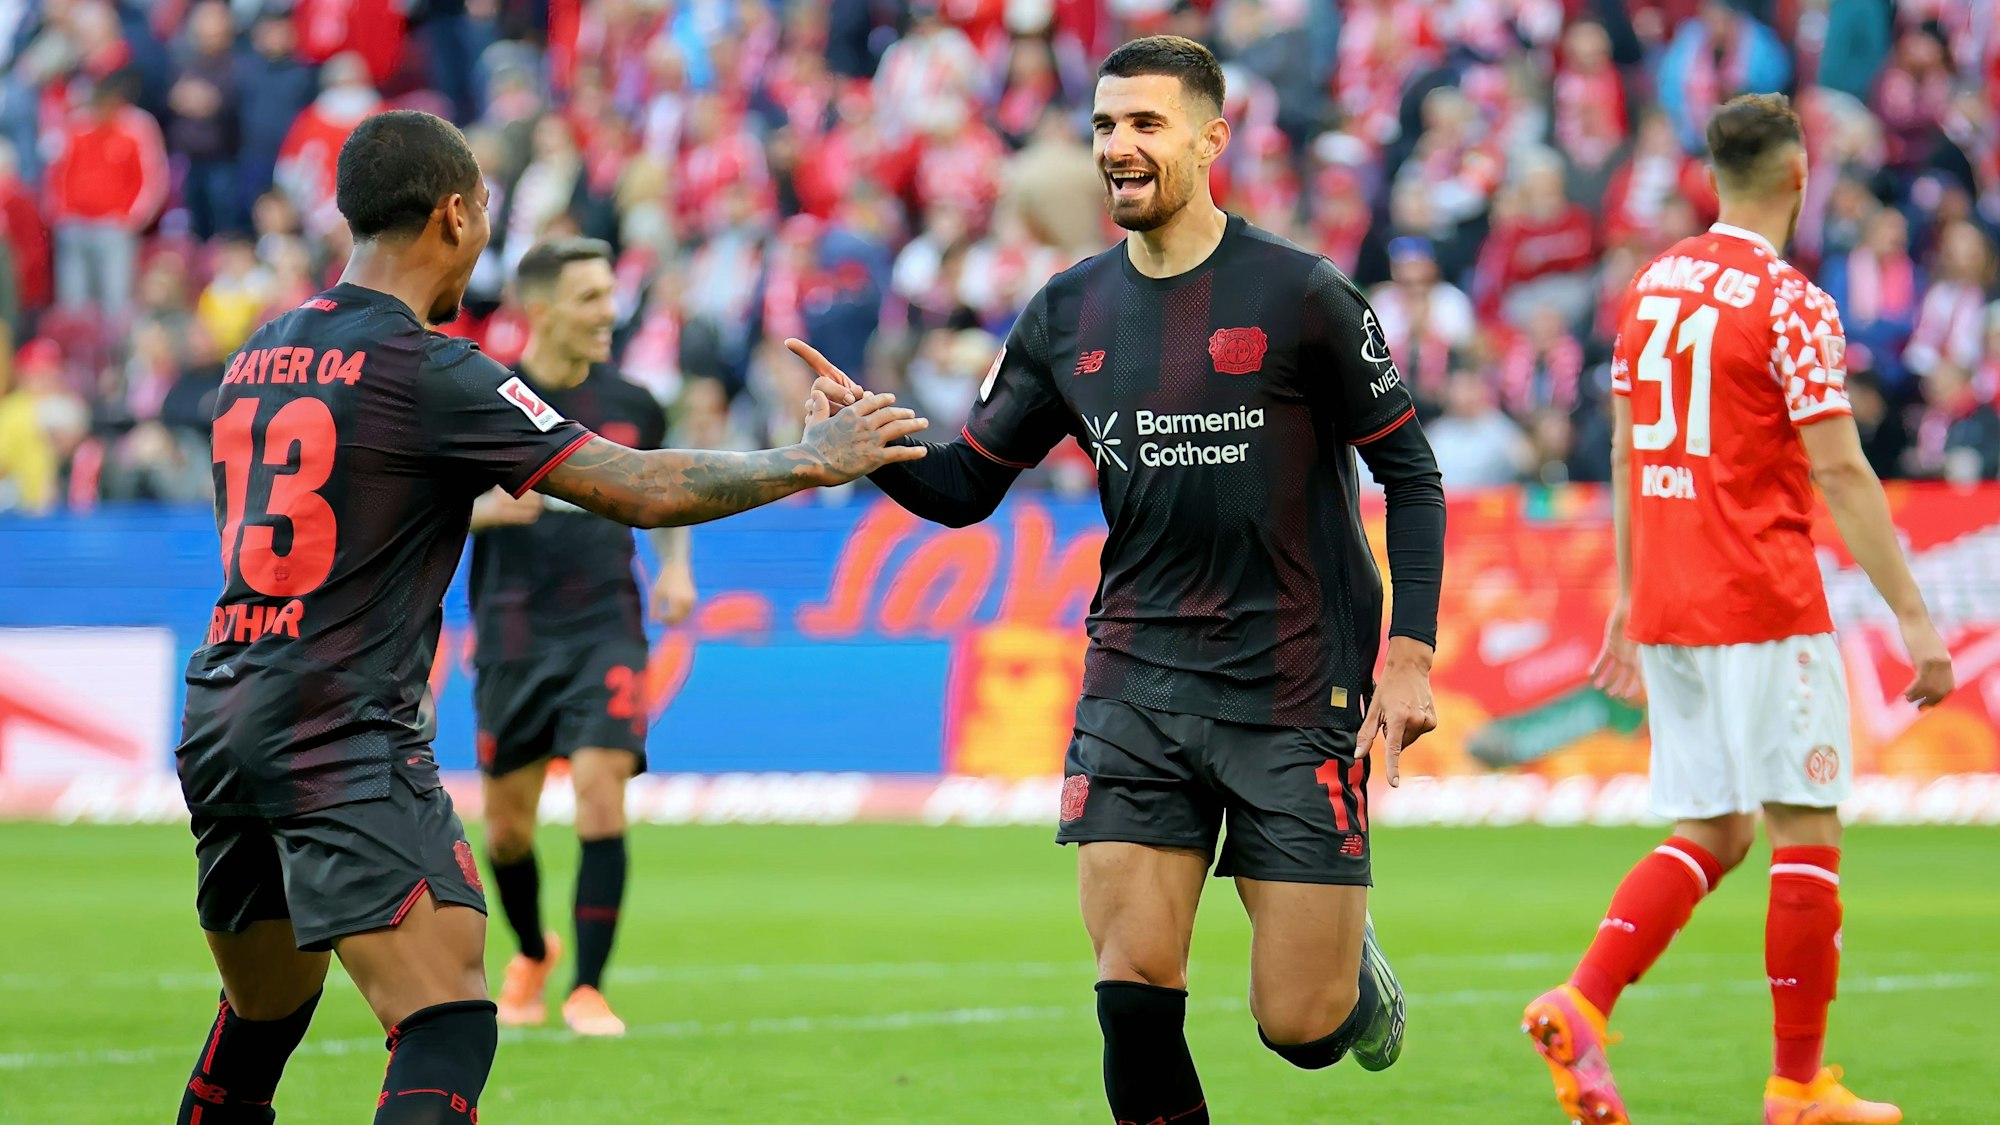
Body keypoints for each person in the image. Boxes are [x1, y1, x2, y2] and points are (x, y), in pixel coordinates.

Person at [171, 109, 926, 1125]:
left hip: (222, 714)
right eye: (484, 209)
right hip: (336, 721)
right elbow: (635, 488)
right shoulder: (433, 368)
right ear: (454, 214)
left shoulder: (261, 354)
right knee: (447, 1022)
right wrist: (810, 461)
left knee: (260, 1019)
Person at [793, 36, 1444, 1124]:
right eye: (1102, 127)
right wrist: (866, 451)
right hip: (1135, 678)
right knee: (1132, 986)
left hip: (1293, 687)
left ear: (1208, 138)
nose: (1117, 148)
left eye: (1143, 125)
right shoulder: (1064, 311)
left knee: (1297, 1025)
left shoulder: (1302, 294)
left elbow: (1410, 478)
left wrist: (1410, 658)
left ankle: (1344, 977)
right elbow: (965, 486)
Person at [1523, 93, 1955, 1125]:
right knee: (1804, 831)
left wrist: (1628, 596)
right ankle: (1796, 1086)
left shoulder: (1648, 286)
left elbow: (1627, 451)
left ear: (1708, 176)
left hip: (1669, 595)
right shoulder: (1791, 300)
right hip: (1760, 596)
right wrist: (1913, 616)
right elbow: (1840, 470)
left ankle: (1581, 1000)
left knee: (1713, 830)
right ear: (1798, 178)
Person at [466, 237, 698, 1038]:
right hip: (513, 630)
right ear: (540, 309)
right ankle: (533, 950)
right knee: (506, 827)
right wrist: (481, 507)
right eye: (591, 298)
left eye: (610, 294)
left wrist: (674, 567)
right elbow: (421, 497)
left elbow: (669, 493)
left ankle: (588, 989)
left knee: (602, 792)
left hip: (606, 622)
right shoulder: (484, 398)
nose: (610, 312)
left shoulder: (636, 402)